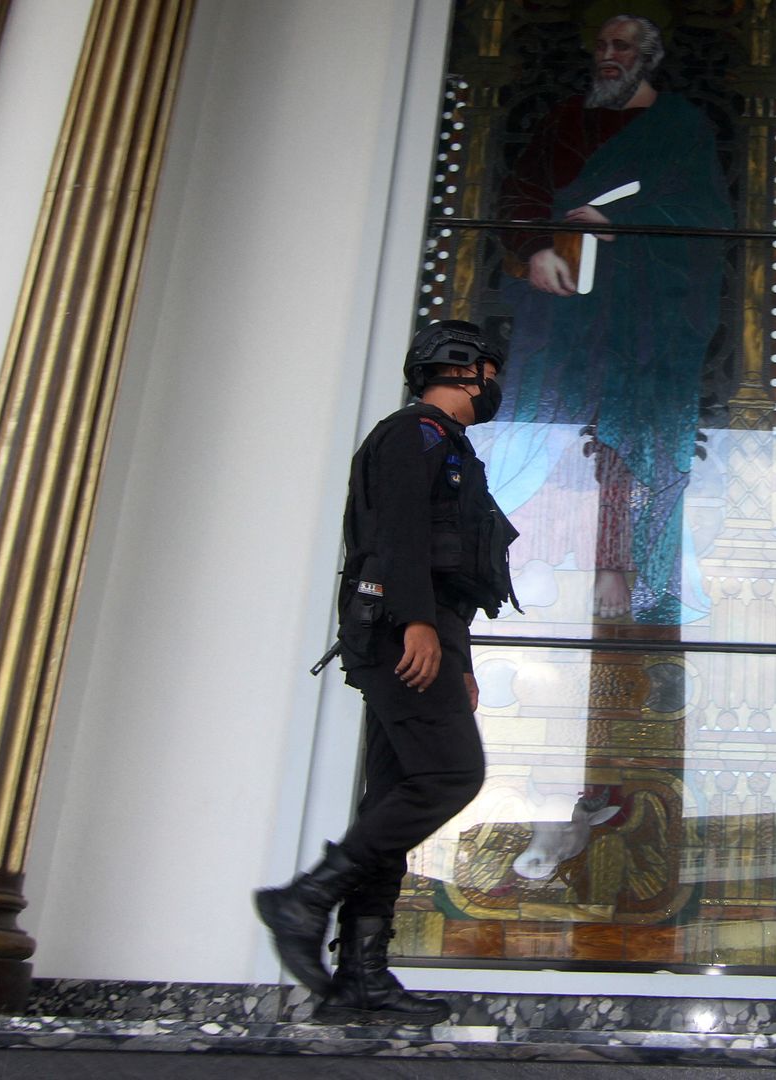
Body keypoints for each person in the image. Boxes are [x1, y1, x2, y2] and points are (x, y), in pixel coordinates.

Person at [255, 320, 519, 1024]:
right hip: (401, 633)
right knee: (449, 776)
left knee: (392, 799)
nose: (496, 384)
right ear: (464, 368)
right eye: (491, 370)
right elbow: (397, 533)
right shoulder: (414, 433)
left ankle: (361, 979)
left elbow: (449, 570)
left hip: (422, 633)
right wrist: (416, 624)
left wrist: (452, 651)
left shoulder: (450, 444)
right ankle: (306, 898)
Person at [489, 13, 733, 625]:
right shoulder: (564, 120)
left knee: (634, 441)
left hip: (649, 315)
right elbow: (520, 194)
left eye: (621, 47)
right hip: (563, 314)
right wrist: (536, 248)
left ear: (647, 58)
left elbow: (704, 210)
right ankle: (515, 571)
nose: (608, 56)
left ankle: (630, 574)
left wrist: (622, 219)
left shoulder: (681, 126)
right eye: (601, 45)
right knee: (550, 432)